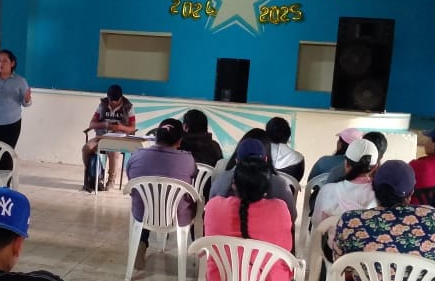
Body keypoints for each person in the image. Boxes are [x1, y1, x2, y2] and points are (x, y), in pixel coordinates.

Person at [203, 156, 294, 281]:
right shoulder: (280, 209)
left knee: (240, 273)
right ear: (267, 187)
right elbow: (286, 251)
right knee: (267, 273)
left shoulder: (214, 206)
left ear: (233, 184)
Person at [126, 118, 197, 271]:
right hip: (176, 217)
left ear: (156, 137)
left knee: (146, 198)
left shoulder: (136, 156)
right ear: (179, 141)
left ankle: (141, 242)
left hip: (143, 214)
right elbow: (193, 179)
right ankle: (197, 252)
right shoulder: (187, 160)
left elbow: (131, 182)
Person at [209, 138, 297, 224]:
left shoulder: (221, 181)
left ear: (237, 161)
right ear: (266, 159)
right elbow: (292, 218)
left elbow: (210, 216)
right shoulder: (280, 187)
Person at [81, 84, 136, 191]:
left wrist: (119, 127)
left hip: (118, 139)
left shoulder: (128, 107)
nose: (113, 103)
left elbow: (132, 128)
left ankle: (111, 181)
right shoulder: (102, 105)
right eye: (111, 100)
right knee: (86, 148)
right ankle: (94, 175)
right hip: (101, 137)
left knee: (113, 152)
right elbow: (92, 124)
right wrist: (106, 125)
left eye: (116, 101)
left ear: (121, 98)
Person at [265, 117, 305, 182]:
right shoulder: (299, 159)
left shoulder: (257, 157)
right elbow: (296, 183)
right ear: (288, 134)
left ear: (266, 134)